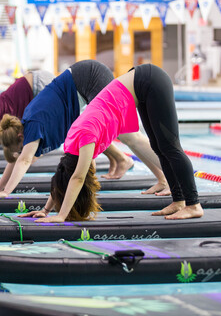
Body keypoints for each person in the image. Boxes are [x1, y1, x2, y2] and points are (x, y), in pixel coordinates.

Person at [20, 64, 203, 222]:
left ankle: (193, 204)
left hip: (149, 80)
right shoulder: (71, 146)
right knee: (158, 146)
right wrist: (45, 210)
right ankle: (178, 201)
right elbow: (63, 176)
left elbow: (77, 177)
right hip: (141, 85)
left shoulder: (85, 135)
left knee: (170, 146)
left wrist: (60, 216)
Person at [0, 60, 168, 198]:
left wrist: (6, 192)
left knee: (130, 136)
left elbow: (24, 160)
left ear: (21, 136)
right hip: (82, 79)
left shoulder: (33, 125)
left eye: (21, 147)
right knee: (124, 136)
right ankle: (163, 179)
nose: (22, 151)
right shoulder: (25, 126)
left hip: (90, 77)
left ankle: (172, 179)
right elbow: (16, 160)